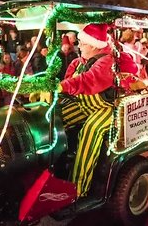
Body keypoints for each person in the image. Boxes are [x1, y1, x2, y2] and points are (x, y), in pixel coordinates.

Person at [59, 23, 137, 197]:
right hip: (85, 104)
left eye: (82, 42)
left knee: (90, 131)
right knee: (55, 119)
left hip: (110, 108)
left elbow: (89, 80)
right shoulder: (79, 61)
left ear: (94, 44)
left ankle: (78, 189)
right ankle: (57, 168)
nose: (78, 46)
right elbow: (70, 83)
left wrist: (61, 86)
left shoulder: (107, 61)